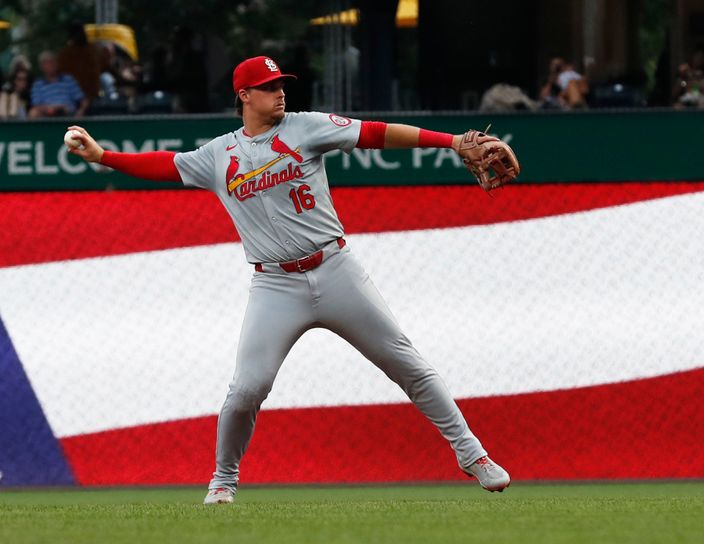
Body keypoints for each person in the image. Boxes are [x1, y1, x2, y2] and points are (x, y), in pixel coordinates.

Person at [65, 55, 515, 504]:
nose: (280, 91)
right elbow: (167, 164)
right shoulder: (219, 154)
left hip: (336, 269)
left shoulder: (306, 126)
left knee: (408, 365)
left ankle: (473, 455)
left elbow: (374, 133)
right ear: (244, 95)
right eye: (268, 86)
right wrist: (104, 156)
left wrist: (453, 140)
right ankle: (223, 478)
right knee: (247, 388)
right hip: (275, 286)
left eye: (281, 83)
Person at [29, 51, 88, 118]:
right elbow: (36, 105)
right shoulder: (38, 84)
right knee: (33, 113)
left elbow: (83, 100)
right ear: (42, 67)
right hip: (46, 115)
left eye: (53, 62)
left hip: (69, 114)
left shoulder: (68, 80)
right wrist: (52, 108)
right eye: (47, 63)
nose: (51, 65)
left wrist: (81, 111)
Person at [58, 23, 101, 101]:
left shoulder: (94, 50)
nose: (79, 36)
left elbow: (106, 67)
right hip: (73, 97)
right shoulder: (65, 54)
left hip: (91, 95)